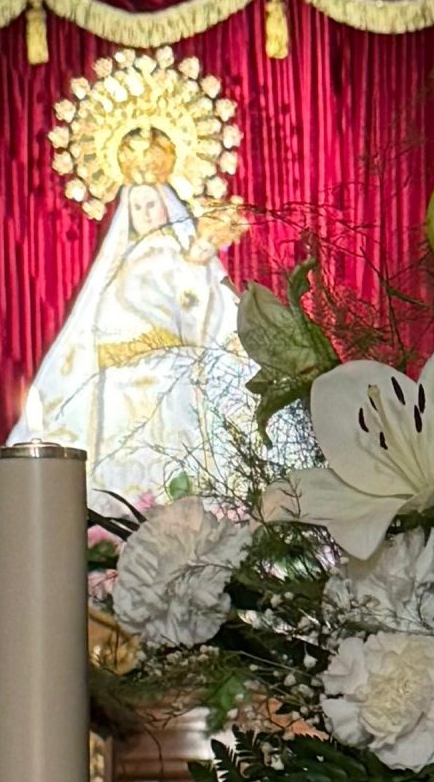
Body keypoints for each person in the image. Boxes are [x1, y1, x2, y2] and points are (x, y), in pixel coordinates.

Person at [13, 125, 257, 506]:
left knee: (170, 461)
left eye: (151, 205)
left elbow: (200, 308)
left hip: (168, 376)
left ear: (166, 204)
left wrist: (198, 261)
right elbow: (91, 322)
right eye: (137, 207)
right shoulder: (117, 262)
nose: (144, 214)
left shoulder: (181, 252)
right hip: (118, 381)